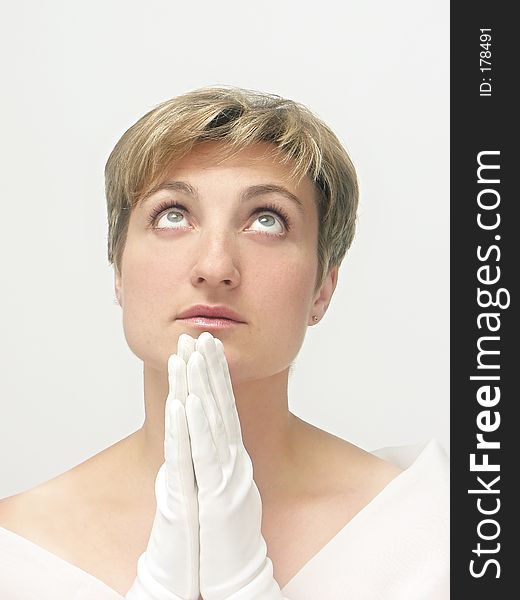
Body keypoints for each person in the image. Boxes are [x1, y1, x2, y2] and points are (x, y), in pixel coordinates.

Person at [0, 87, 449, 599]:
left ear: (323, 287)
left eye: (267, 221)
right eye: (172, 215)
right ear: (118, 270)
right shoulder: (16, 552)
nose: (214, 267)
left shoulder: (435, 532)